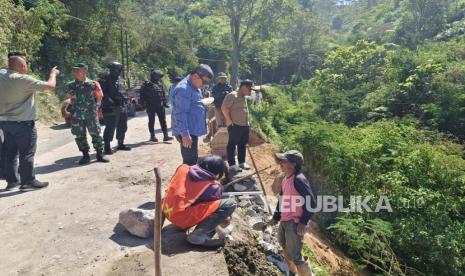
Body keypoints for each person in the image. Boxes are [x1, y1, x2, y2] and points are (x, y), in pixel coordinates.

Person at [0, 52, 59, 190]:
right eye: (25, 65)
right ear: (21, 67)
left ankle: (12, 181)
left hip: (5, 123)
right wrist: (53, 74)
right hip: (23, 123)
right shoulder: (23, 79)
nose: (27, 67)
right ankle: (27, 182)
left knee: (10, 152)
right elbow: (50, 86)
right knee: (26, 152)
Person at [162, 155, 237, 246]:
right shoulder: (212, 187)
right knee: (230, 203)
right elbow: (213, 210)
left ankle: (185, 223)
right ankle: (199, 235)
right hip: (182, 219)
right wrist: (224, 217)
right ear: (217, 173)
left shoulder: (183, 169)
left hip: (168, 211)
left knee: (201, 202)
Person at [269, 150, 316, 276]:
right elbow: (282, 200)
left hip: (294, 223)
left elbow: (311, 202)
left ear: (294, 164)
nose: (281, 164)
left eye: (284, 161)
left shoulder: (299, 179)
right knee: (285, 248)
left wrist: (303, 222)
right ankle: (292, 272)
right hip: (285, 221)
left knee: (295, 255)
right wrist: (276, 217)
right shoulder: (285, 179)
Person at [66, 63, 109, 165]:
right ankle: (85, 155)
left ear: (85, 71)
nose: (75, 72)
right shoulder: (70, 85)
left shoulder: (93, 84)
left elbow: (99, 96)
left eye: (78, 70)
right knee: (79, 136)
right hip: (77, 115)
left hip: (91, 114)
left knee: (96, 134)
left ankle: (99, 154)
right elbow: (71, 99)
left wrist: (96, 107)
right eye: (74, 70)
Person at [171, 64, 214, 165]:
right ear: (195, 76)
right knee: (189, 162)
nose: (204, 85)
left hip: (191, 130)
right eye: (204, 82)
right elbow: (180, 114)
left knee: (193, 158)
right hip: (187, 132)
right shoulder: (184, 89)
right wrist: (185, 135)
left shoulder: (194, 86)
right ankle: (187, 179)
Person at [221, 79, 254, 172]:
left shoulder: (243, 96)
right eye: (249, 89)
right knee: (232, 145)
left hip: (244, 125)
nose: (250, 91)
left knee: (242, 144)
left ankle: (241, 162)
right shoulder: (232, 95)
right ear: (243, 87)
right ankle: (232, 165)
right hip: (235, 125)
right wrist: (228, 119)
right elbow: (224, 108)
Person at [100, 61, 131, 154]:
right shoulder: (104, 80)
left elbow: (124, 91)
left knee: (122, 126)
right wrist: (111, 102)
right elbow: (101, 95)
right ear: (112, 69)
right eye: (117, 69)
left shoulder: (121, 79)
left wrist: (126, 100)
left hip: (122, 106)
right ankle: (107, 146)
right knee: (110, 127)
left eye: (119, 70)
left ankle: (120, 144)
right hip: (111, 108)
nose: (119, 71)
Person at [140, 69, 173, 142]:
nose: (159, 78)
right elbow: (142, 94)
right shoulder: (147, 84)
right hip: (150, 105)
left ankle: (166, 136)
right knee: (151, 121)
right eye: (158, 76)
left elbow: (163, 94)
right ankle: (152, 136)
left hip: (160, 105)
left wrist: (165, 103)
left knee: (163, 121)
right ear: (154, 76)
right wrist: (142, 104)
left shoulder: (160, 84)